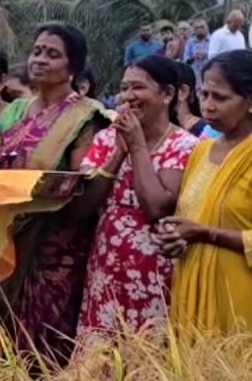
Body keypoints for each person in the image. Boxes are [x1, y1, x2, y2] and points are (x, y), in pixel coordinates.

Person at [0, 23, 105, 367]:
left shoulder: (86, 116)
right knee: (1, 328)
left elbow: (82, 183)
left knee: (46, 337)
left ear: (73, 67)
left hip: (55, 242)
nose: (40, 59)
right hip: (5, 235)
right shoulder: (14, 110)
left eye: (53, 54)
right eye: (37, 50)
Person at [159, 50, 252, 338]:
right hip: (191, 289)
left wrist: (208, 234)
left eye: (220, 98)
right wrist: (175, 239)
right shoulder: (202, 150)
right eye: (205, 94)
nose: (208, 107)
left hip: (238, 296)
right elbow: (190, 218)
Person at [70, 55, 198, 339]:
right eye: (124, 87)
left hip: (156, 269)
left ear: (167, 94)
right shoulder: (106, 139)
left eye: (138, 87)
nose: (128, 96)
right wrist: (118, 153)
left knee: (149, 354)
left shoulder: (185, 145)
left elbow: (157, 208)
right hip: (107, 264)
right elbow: (83, 207)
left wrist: (138, 146)